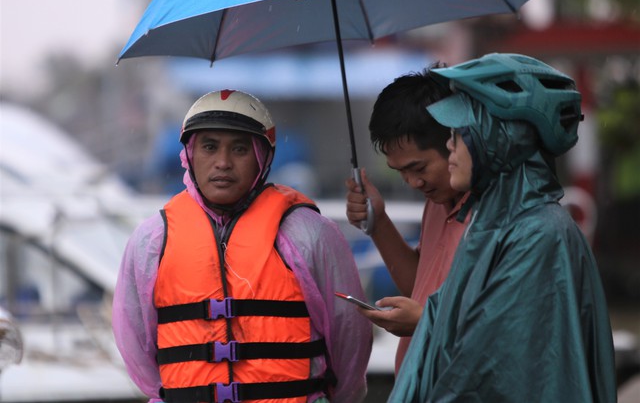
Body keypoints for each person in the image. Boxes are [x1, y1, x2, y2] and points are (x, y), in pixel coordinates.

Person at [112, 89, 372, 403]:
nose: (223, 162)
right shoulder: (152, 240)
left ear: (263, 157)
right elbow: (137, 347)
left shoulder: (311, 235)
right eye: (209, 147)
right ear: (190, 154)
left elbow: (349, 340)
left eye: (239, 149)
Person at [388, 53, 617, 402]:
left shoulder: (539, 234)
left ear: (496, 137)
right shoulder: (494, 224)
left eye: (458, 134)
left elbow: (488, 367)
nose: (449, 145)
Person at [345, 68, 470, 373]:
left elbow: (501, 324)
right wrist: (378, 223)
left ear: (454, 144)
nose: (413, 182)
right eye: (400, 171)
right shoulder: (437, 203)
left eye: (419, 167)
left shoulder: (494, 216)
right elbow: (420, 287)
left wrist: (426, 321)